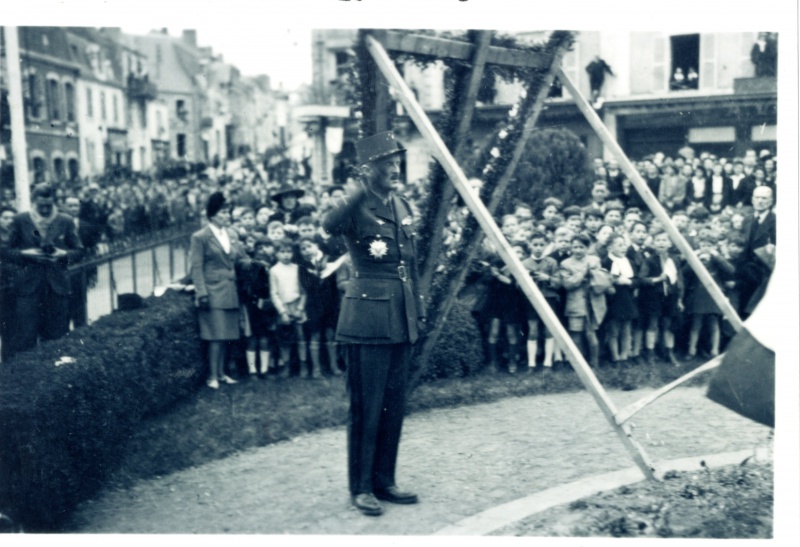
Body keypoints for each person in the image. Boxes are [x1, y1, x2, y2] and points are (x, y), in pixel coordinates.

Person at [321, 131, 425, 517]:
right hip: (367, 317)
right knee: (368, 405)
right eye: (386, 163)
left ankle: (385, 479)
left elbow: (410, 264)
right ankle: (361, 487)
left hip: (399, 314)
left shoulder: (400, 204)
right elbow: (329, 225)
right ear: (368, 169)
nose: (395, 168)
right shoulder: (356, 207)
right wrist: (357, 193)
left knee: (394, 404)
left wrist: (418, 309)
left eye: (397, 160)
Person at [3, 183, 83, 354]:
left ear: (53, 201)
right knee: (26, 338)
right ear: (34, 202)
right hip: (28, 289)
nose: (46, 210)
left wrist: (63, 255)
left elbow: (79, 250)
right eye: (41, 206)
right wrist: (26, 254)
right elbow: (4, 250)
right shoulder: (20, 220)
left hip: (57, 288)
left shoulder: (65, 221)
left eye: (49, 205)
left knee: (57, 338)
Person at [190, 191, 247, 389]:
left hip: (230, 289)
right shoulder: (201, 237)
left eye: (228, 212)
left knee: (225, 336)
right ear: (213, 215)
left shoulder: (231, 234)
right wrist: (201, 293)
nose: (227, 216)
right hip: (213, 291)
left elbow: (239, 257)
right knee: (215, 336)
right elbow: (196, 267)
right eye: (223, 212)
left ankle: (222, 373)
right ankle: (212, 376)